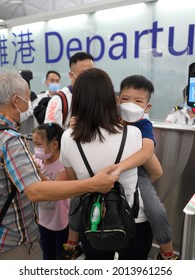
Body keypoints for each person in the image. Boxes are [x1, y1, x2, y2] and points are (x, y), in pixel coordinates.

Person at [0, 70, 118, 260]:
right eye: (27, 99)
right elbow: (36, 192)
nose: (29, 105)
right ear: (15, 101)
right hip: (13, 240)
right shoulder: (10, 140)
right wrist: (93, 184)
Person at [61, 74, 176, 260]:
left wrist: (120, 169)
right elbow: (158, 170)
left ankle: (167, 252)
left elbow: (74, 179)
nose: (131, 104)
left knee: (157, 210)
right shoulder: (124, 128)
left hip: (96, 213)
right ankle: (71, 244)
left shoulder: (140, 127)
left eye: (138, 101)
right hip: (132, 217)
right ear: (114, 100)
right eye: (125, 99)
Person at [31, 123, 70, 260]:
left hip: (62, 224)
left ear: (54, 145)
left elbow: (54, 190)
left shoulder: (64, 165)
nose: (36, 149)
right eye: (34, 144)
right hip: (43, 222)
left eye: (39, 144)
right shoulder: (39, 160)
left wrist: (38, 173)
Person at [44, 52, 94, 129]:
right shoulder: (59, 99)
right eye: (83, 73)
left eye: (92, 72)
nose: (89, 77)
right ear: (71, 75)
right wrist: (70, 131)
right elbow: (50, 132)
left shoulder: (98, 94)